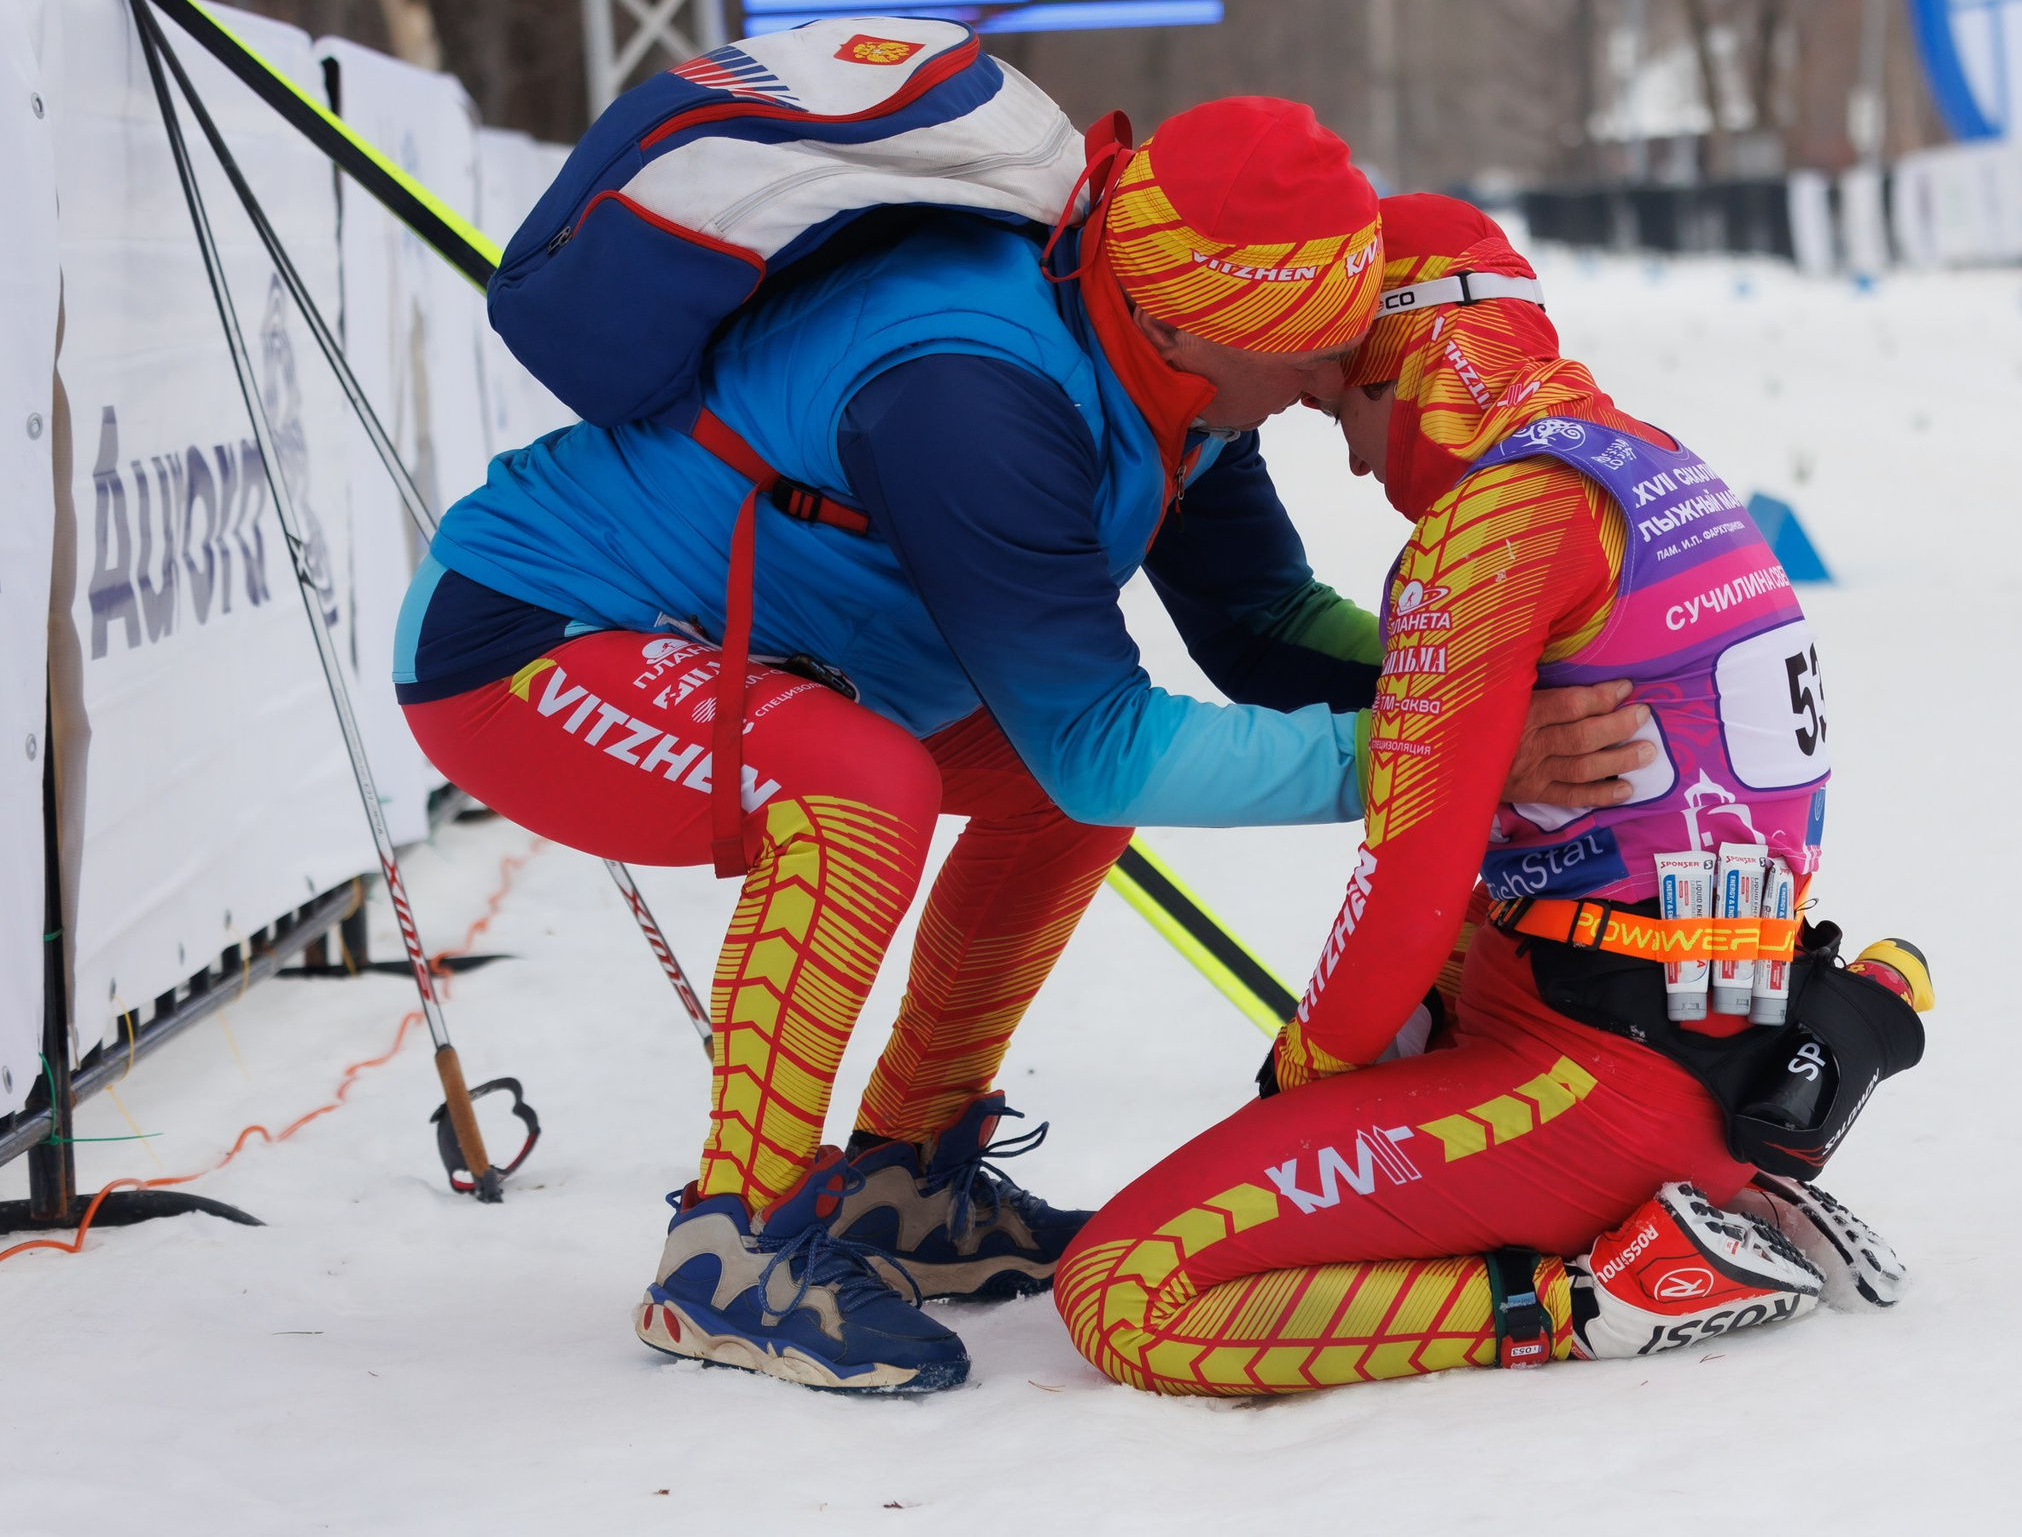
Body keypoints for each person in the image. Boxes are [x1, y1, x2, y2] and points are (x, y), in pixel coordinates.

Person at [396, 100, 1657, 1393]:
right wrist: (1446, 749)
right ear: (1188, 328)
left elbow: (1263, 628)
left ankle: (906, 1181)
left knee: (1051, 801)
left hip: (788, 658)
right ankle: (732, 1249)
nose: (1325, 388)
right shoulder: (973, 388)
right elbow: (1100, 741)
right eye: (1309, 358)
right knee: (866, 789)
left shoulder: (1183, 372)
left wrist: (1489, 668)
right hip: (535, 638)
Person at [1054, 196, 1927, 1397]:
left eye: (1340, 405)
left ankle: (1596, 1295)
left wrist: (1298, 1083)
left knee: (1123, 1292)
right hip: (1713, 1044)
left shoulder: (1499, 520)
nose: (1356, 461)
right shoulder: (1650, 463)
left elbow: (1404, 886)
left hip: (1592, 1081)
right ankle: (1713, 1193)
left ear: (1404, 355)